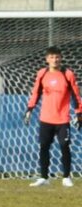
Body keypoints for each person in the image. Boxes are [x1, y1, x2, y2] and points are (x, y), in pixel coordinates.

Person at [25, 46, 82, 187]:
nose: (54, 60)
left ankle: (66, 177)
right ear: (47, 59)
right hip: (45, 119)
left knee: (64, 146)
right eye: (51, 57)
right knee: (44, 146)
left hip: (63, 119)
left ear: (61, 58)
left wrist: (79, 113)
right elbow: (36, 93)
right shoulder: (42, 74)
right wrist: (29, 109)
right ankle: (44, 177)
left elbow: (76, 95)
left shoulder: (68, 74)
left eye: (57, 57)